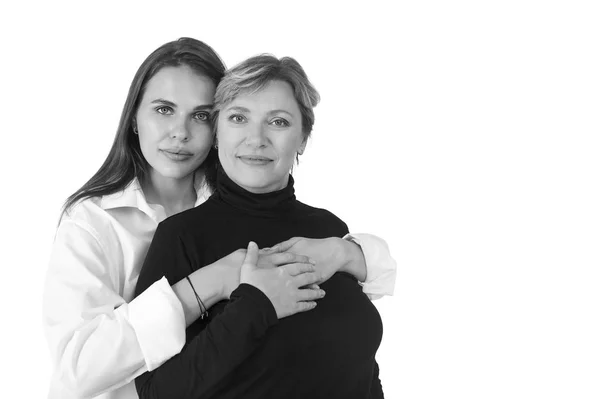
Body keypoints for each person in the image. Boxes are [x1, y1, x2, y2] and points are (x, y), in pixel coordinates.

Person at [43, 38, 396, 399]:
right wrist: (216, 285)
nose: (180, 132)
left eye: (199, 115)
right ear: (133, 117)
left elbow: (359, 348)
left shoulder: (308, 222)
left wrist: (344, 252)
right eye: (164, 109)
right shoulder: (99, 224)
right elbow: (82, 371)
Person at [134, 54, 385, 399]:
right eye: (238, 118)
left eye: (278, 122)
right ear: (217, 133)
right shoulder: (181, 236)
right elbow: (155, 393)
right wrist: (256, 307)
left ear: (303, 138)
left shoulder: (328, 228)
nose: (257, 138)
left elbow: (360, 363)